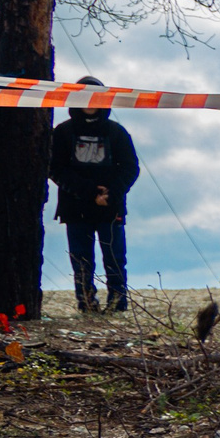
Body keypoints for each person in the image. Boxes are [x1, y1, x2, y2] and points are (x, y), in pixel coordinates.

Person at [49, 77, 139, 312]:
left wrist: (111, 193)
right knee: (81, 260)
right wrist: (89, 193)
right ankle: (87, 304)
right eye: (83, 97)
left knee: (115, 259)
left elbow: (130, 168)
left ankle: (117, 304)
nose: (89, 102)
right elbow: (56, 169)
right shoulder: (63, 132)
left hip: (110, 207)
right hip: (75, 208)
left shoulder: (116, 132)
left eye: (95, 97)